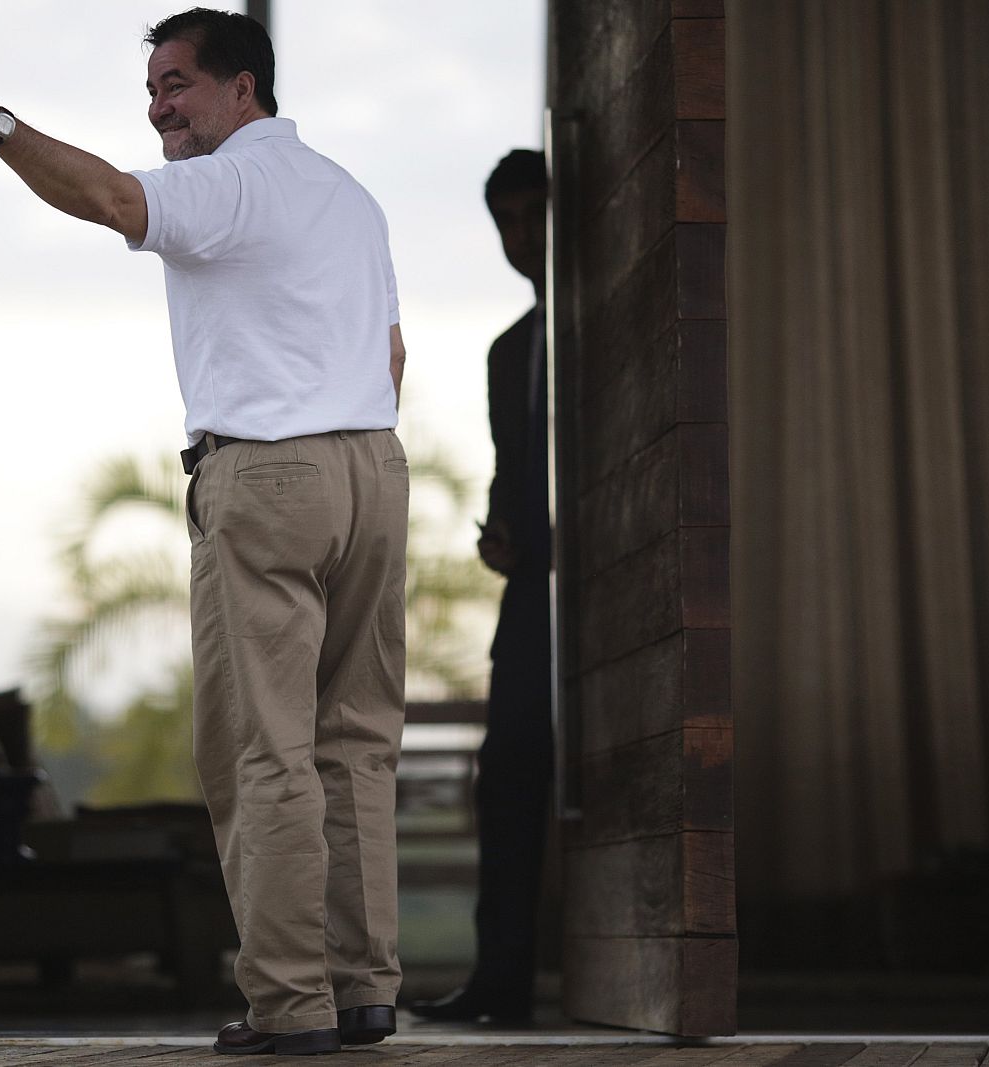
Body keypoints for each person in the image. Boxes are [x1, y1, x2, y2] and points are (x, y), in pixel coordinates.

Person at [0, 9, 408, 1056]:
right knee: (354, 746)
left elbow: (108, 196)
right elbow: (392, 348)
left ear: (244, 91)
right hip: (371, 464)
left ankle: (291, 1003)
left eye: (178, 83)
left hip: (269, 469)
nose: (159, 105)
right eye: (152, 89)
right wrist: (343, 447)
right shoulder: (348, 197)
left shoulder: (226, 182)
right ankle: (364, 989)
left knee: (263, 750)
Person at [411, 149, 551, 1025]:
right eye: (505, 220)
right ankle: (499, 980)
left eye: (533, 213)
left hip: (606, 597)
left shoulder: (609, 328)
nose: (519, 235)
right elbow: (512, 469)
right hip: (531, 598)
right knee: (505, 781)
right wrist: (503, 536)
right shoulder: (511, 351)